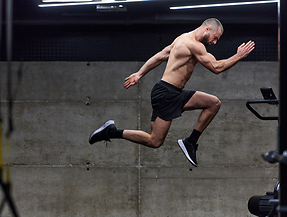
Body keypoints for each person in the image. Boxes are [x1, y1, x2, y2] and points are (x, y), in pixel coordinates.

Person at [89, 18, 255, 167]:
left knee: (212, 104)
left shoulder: (182, 38)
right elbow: (216, 67)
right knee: (155, 140)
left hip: (171, 93)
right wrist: (238, 56)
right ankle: (112, 132)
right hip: (167, 94)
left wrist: (140, 73)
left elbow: (161, 55)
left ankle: (189, 142)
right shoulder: (194, 44)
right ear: (207, 29)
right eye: (215, 37)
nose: (215, 42)